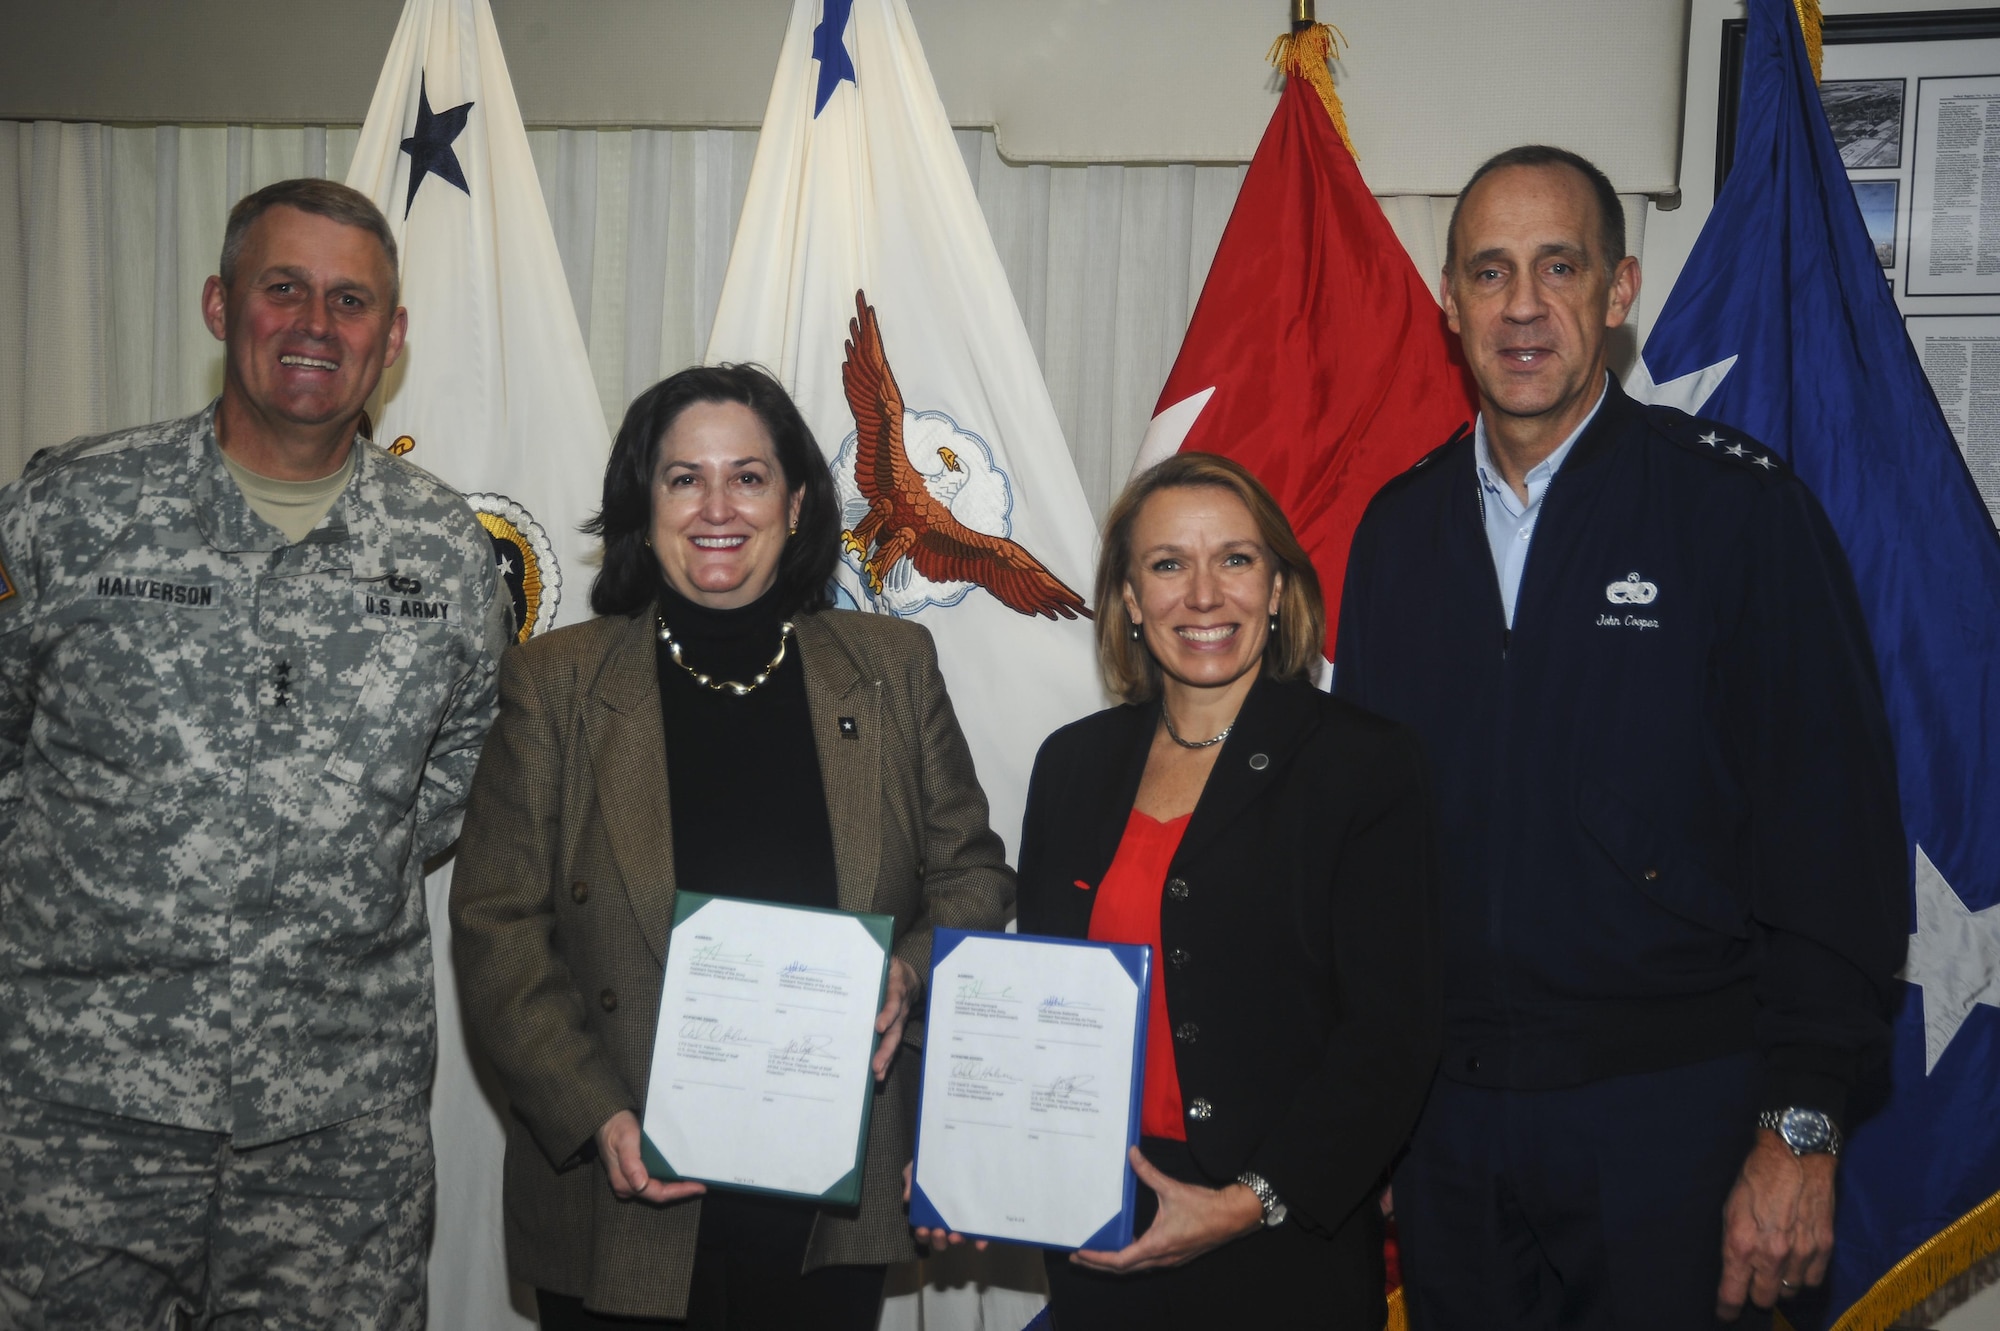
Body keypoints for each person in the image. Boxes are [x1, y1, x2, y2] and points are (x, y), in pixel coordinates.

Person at [1335, 145, 1908, 1329]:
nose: (1523, 306)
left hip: (1676, 1127)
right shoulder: (1395, 535)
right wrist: (1375, 1107)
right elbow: (1370, 852)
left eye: (1558, 266)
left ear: (1617, 289)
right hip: (1448, 1131)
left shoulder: (1736, 512)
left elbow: (1833, 842)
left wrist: (1800, 1125)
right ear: (1448, 303)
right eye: (1488, 273)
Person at [0, 179, 509, 1327]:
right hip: (83, 1120)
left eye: (351, 300)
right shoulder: (68, 511)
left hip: (337, 1130)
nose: (316, 325)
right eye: (283, 289)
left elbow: (451, 784)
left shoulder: (440, 551)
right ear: (219, 304)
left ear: (392, 338)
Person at [448, 362, 1015, 1329]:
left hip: (831, 1190)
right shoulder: (557, 682)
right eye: (684, 478)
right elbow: (497, 922)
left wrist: (910, 978)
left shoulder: (890, 666)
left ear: (795, 503)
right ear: (644, 505)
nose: (719, 506)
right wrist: (593, 1113)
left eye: (748, 477)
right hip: (623, 1179)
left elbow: (972, 878)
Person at [1005, 451, 1441, 1328]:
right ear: (1130, 599)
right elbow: (1040, 998)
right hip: (1103, 1222)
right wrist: (974, 1153)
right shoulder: (1072, 764)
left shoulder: (1364, 764)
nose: (1203, 595)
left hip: (1281, 1240)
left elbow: (1393, 1035)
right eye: (1168, 565)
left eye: (1235, 560)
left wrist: (1249, 1200)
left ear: (1278, 588)